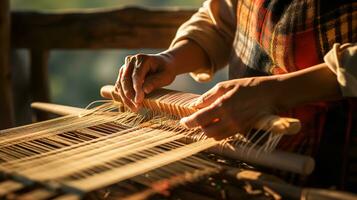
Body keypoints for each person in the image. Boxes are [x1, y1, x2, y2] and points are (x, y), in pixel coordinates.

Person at [111, 0, 357, 190]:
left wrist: (276, 92)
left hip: (337, 168)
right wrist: (171, 59)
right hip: (250, 163)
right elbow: (222, 21)